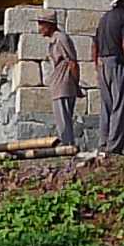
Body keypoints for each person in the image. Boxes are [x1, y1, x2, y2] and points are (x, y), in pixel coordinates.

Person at [91, 0, 124, 156]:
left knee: (107, 106)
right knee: (120, 106)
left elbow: (95, 43)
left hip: (103, 63)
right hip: (117, 63)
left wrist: (96, 63)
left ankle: (103, 144)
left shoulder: (105, 18)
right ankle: (114, 149)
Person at [36, 11, 84, 152]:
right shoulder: (54, 40)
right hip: (59, 84)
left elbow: (73, 62)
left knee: (64, 120)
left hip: (64, 84)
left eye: (41, 24)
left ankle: (68, 147)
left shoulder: (61, 38)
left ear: (49, 25)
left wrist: (75, 84)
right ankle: (67, 146)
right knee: (61, 119)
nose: (39, 28)